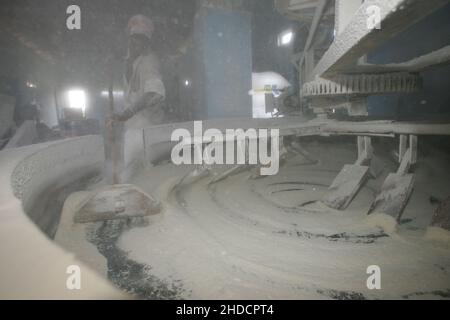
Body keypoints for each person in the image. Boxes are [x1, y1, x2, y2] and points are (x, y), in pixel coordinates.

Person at [110, 14, 166, 129]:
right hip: (133, 130)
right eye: (134, 37)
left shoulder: (149, 62)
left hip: (148, 130)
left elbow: (153, 94)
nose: (136, 42)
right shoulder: (129, 61)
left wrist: (127, 113)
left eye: (141, 38)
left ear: (147, 42)